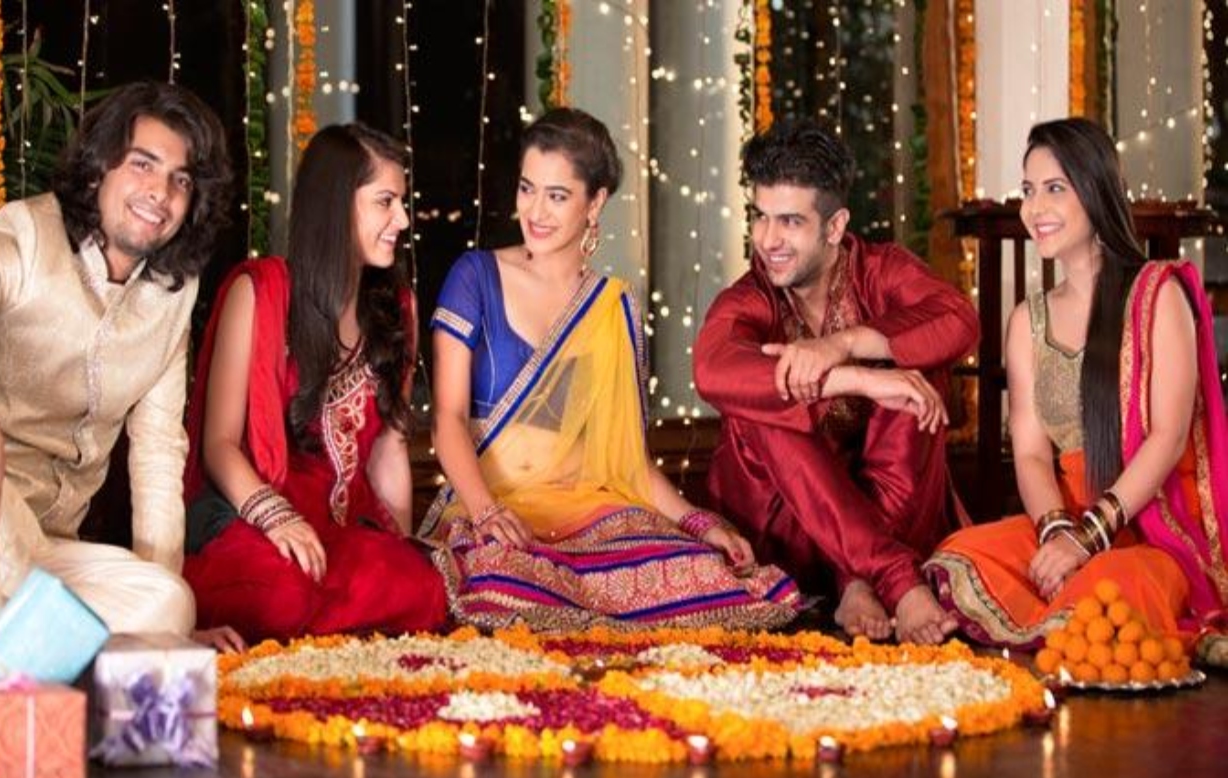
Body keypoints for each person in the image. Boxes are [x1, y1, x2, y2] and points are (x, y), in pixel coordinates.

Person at [422, 107, 805, 630]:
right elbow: (447, 419)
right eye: (527, 189)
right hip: (494, 508)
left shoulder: (611, 305)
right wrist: (486, 511)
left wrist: (699, 523)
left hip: (588, 511)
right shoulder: (476, 276)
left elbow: (631, 464)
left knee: (702, 572)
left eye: (558, 196)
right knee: (501, 581)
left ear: (595, 202)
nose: (535, 211)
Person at [0, 81, 236, 662]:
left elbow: (158, 452)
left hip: (47, 558)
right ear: (100, 167)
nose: (160, 193)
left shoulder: (172, 293)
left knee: (167, 599)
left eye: (180, 180)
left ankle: (4, 650)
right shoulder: (30, 233)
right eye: (142, 165)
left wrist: (168, 632)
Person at [924, 118, 1228, 648]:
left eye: (1054, 188)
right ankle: (1065, 617)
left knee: (1112, 586)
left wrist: (1089, 539)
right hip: (1068, 514)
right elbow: (1031, 455)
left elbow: (1169, 437)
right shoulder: (1027, 322)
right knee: (963, 554)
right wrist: (1057, 532)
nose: (1034, 208)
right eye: (1028, 190)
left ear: (1095, 190)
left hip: (1154, 525)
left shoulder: (1158, 295)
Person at [692, 120, 979, 644]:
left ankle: (857, 580)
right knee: (760, 402)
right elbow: (711, 368)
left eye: (790, 221)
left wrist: (845, 345)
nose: (768, 240)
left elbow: (960, 319)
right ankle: (891, 578)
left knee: (916, 370)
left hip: (890, 512)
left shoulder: (880, 271)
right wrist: (855, 380)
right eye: (760, 217)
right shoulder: (752, 297)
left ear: (834, 226)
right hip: (786, 531)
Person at [181, 123, 448, 643]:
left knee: (424, 589)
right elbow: (218, 445)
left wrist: (398, 548)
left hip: (336, 532)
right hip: (250, 521)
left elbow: (388, 448)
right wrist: (276, 518)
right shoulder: (260, 291)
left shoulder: (396, 310)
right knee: (282, 593)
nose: (402, 219)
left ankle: (319, 620)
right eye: (386, 202)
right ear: (336, 204)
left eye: (401, 202)